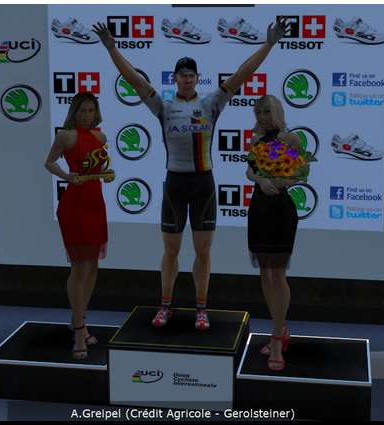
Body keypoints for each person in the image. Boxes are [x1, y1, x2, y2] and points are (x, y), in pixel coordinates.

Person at [92, 17, 291, 330]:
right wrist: (111, 48)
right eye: (183, 75)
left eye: (191, 75)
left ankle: (201, 308)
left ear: (198, 78)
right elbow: (134, 80)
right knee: (170, 251)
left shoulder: (211, 103)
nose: (187, 80)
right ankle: (165, 305)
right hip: (175, 184)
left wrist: (269, 42)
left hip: (203, 186)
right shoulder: (163, 106)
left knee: (204, 252)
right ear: (175, 78)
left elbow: (242, 73)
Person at [44, 92, 115, 359]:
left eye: (91, 110)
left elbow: (99, 169)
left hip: (96, 204)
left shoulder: (101, 137)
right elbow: (49, 162)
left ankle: (78, 322)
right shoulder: (66, 136)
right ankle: (79, 331)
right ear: (74, 112)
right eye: (83, 110)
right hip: (74, 206)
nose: (87, 115)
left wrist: (107, 176)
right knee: (79, 268)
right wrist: (67, 176)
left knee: (93, 267)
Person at [245, 95, 300, 371]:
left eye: (266, 112)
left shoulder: (291, 139)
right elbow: (249, 171)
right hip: (258, 209)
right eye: (258, 112)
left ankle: (277, 339)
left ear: (276, 112)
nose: (261, 117)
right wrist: (260, 179)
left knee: (278, 276)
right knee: (264, 275)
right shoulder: (256, 140)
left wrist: (274, 183)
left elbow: (299, 175)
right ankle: (281, 328)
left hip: (280, 209)